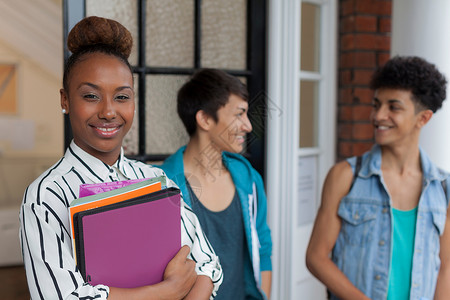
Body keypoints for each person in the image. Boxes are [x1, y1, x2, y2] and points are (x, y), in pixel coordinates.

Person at [19, 16, 222, 300]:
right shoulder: (46, 196)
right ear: (65, 100)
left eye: (122, 97)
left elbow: (208, 267)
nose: (108, 112)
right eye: (91, 96)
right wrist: (168, 291)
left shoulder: (156, 179)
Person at [306, 56, 450, 300]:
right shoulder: (345, 177)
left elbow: (445, 269)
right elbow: (316, 257)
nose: (378, 115)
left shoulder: (444, 188)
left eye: (393, 107)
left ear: (423, 118)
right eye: (376, 105)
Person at [160, 69, 273, 300]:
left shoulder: (248, 178)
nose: (248, 126)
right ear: (205, 119)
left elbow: (263, 248)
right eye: (239, 114)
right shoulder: (163, 186)